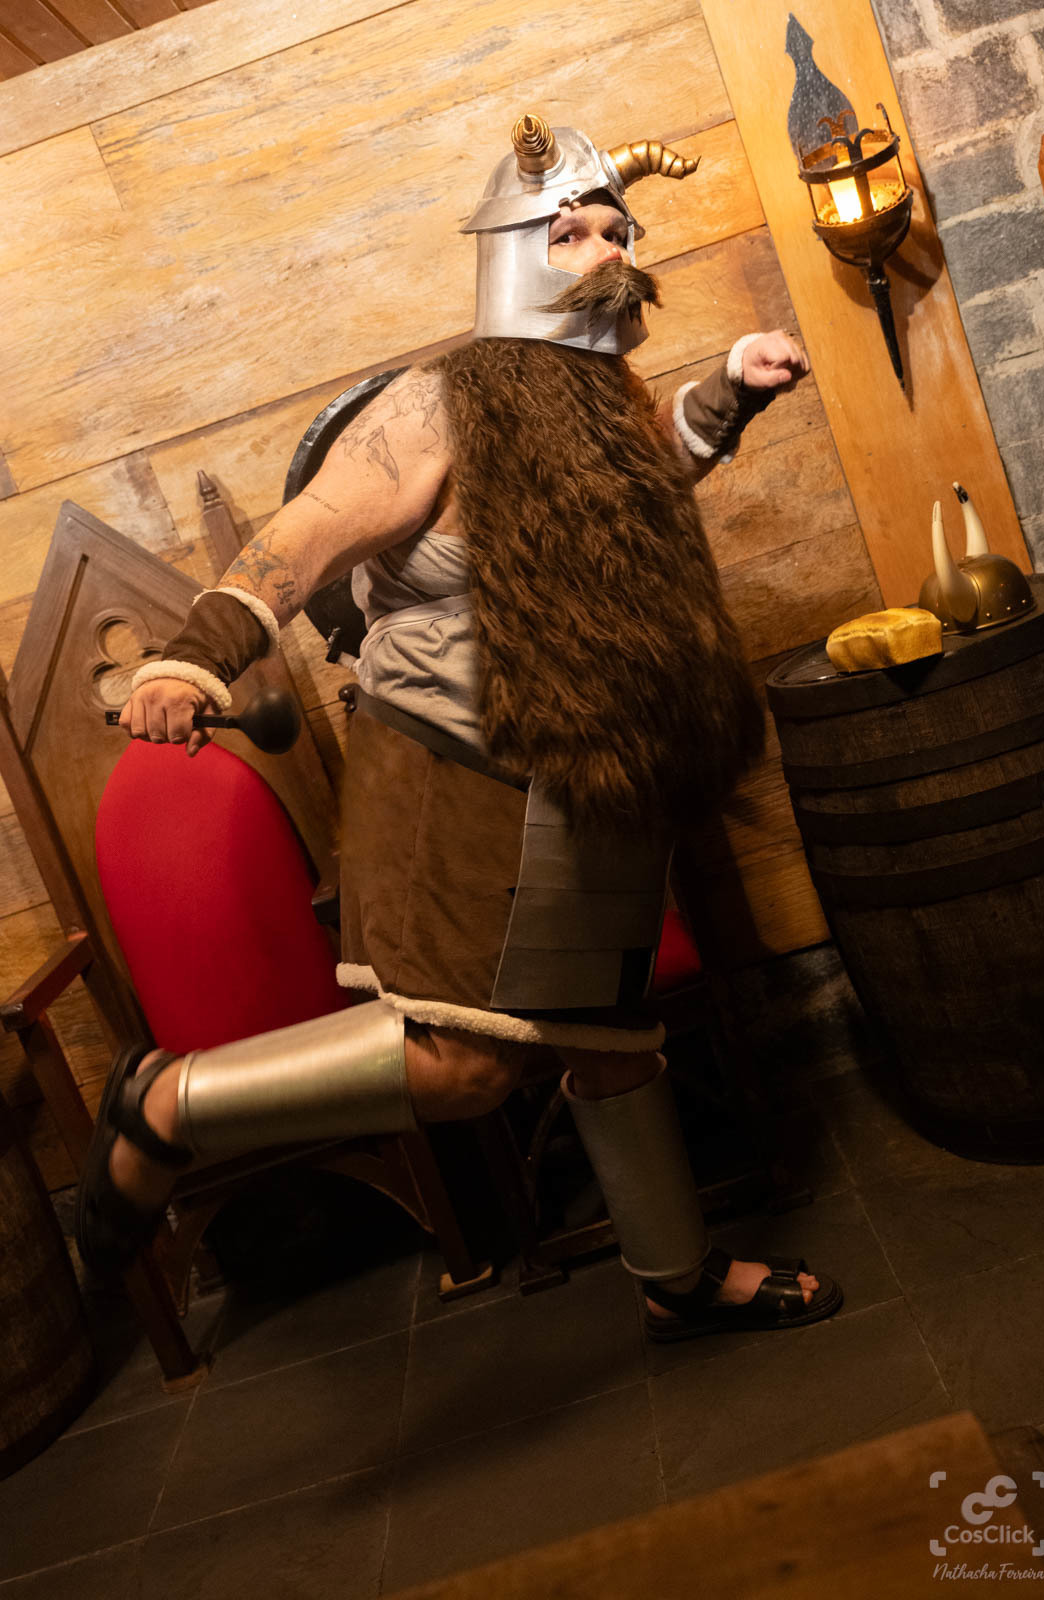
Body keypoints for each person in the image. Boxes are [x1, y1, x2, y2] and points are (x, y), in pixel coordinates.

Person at [77, 114, 842, 1342]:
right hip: (455, 766)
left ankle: (675, 1275)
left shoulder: (597, 394)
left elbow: (632, 499)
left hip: (588, 768)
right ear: (510, 249)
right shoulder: (437, 404)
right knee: (463, 1066)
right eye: (570, 232)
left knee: (609, 1037)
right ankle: (169, 1103)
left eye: (615, 231)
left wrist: (724, 397)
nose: (603, 252)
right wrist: (194, 658)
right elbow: (299, 541)